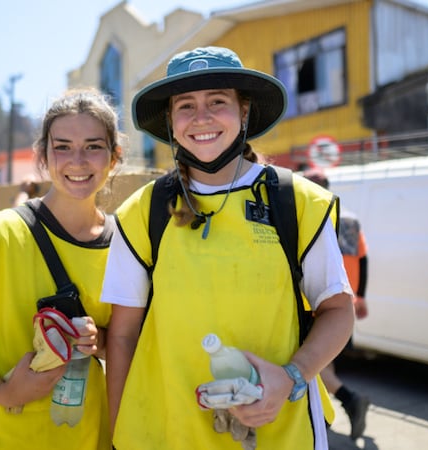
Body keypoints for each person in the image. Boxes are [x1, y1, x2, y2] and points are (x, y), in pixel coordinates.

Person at [103, 46, 355, 450]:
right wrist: (117, 436)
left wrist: (292, 376)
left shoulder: (297, 201)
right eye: (186, 106)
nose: (201, 117)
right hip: (166, 431)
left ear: (244, 112)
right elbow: (122, 338)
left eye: (217, 102)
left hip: (282, 432)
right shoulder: (142, 211)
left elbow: (338, 310)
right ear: (170, 121)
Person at [0, 87, 124, 450]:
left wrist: (96, 341)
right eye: (62, 146)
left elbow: (129, 345)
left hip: (87, 436)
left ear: (115, 157)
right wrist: (4, 392)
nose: (77, 160)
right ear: (42, 156)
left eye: (94, 146)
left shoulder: (127, 246)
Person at [304, 168, 371, 440]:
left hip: (318, 302)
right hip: (344, 304)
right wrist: (361, 295)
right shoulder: (349, 216)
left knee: (313, 364)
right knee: (322, 363)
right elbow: (364, 259)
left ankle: (348, 401)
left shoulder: (309, 211)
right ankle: (327, 417)